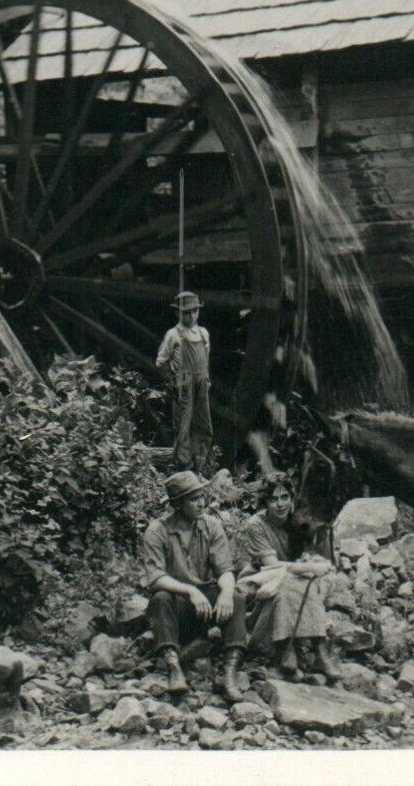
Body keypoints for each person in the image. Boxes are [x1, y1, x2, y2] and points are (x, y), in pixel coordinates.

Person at [140, 470, 248, 699]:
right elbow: (156, 577)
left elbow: (225, 570)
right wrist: (190, 591)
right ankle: (173, 667)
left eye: (202, 496)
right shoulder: (157, 531)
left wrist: (226, 594)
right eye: (194, 499)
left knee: (237, 597)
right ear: (178, 504)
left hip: (206, 607)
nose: (202, 503)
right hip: (178, 606)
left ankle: (230, 673)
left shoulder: (211, 526)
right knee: (160, 598)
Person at [236, 477, 345, 680]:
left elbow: (314, 557)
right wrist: (309, 567)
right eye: (273, 499)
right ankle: (286, 648)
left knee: (302, 582)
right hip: (261, 583)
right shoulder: (256, 525)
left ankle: (318, 652)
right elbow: (273, 565)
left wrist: (309, 564)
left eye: (285, 497)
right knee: (292, 580)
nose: (280, 504)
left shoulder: (297, 521)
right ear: (265, 503)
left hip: (293, 583)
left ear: (291, 498)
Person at [156, 291, 213, 472]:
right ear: (177, 313)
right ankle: (184, 466)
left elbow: (206, 359)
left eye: (195, 311)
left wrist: (207, 379)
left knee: (203, 423)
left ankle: (200, 464)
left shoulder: (204, 334)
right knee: (183, 426)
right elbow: (161, 362)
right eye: (187, 312)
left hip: (201, 383)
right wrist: (173, 382)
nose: (192, 315)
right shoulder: (173, 335)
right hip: (183, 384)